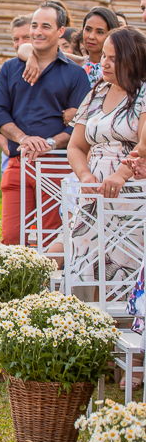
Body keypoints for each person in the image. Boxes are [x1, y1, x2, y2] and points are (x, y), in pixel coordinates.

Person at [0, 2, 92, 247]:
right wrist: (24, 138)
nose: (37, 31)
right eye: (34, 25)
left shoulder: (76, 75)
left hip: (57, 166)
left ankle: (46, 286)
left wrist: (50, 143)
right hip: (19, 162)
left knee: (51, 239)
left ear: (60, 31)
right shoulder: (10, 68)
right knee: (12, 239)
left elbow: (81, 124)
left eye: (46, 26)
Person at [67, 27, 146, 292]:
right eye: (104, 56)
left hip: (130, 194)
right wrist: (85, 176)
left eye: (114, 58)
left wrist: (121, 175)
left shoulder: (143, 95)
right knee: (83, 262)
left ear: (133, 60)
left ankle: (126, 328)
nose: (105, 63)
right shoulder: (95, 94)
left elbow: (145, 144)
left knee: (124, 267)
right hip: (92, 193)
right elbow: (76, 146)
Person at [0, 15, 33, 172]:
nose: (20, 44)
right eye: (16, 39)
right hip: (14, 161)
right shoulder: (8, 70)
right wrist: (8, 148)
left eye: (26, 37)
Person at [79, 6, 121, 86]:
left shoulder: (118, 71)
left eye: (100, 32)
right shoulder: (73, 64)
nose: (91, 36)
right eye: (88, 29)